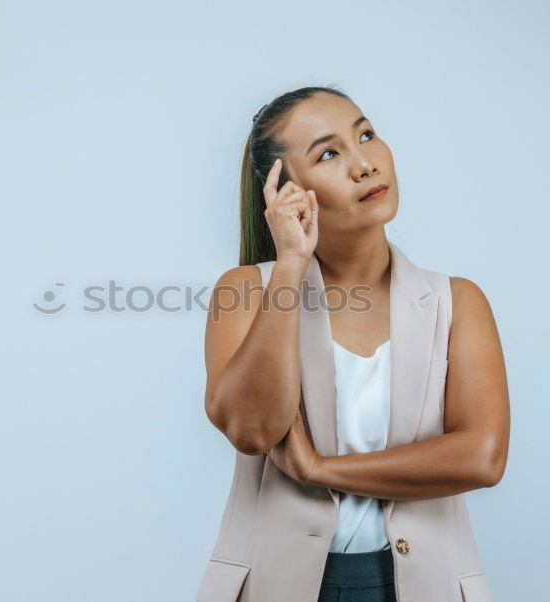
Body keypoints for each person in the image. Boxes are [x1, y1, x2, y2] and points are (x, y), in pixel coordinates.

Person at [199, 86, 509, 602]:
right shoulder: (247, 289)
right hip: (280, 585)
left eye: (365, 134)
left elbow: (481, 457)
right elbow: (252, 429)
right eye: (328, 153)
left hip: (422, 586)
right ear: (286, 190)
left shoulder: (457, 301)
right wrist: (292, 265)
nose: (364, 163)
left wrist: (321, 470)